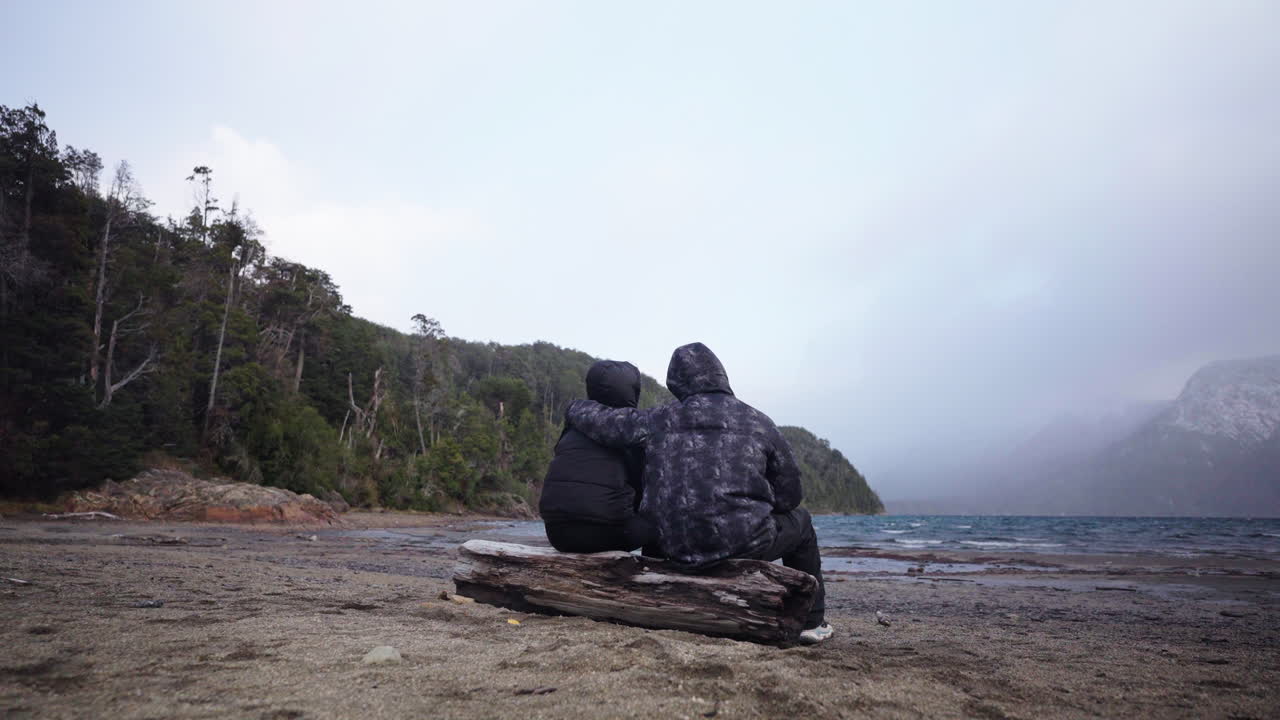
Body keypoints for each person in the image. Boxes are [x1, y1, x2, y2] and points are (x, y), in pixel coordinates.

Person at [565, 342, 833, 644]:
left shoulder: (659, 418)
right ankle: (812, 622)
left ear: (676, 381)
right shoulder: (759, 422)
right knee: (803, 522)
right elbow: (790, 495)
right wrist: (757, 505)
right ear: (720, 375)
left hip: (670, 545)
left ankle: (662, 592)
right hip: (743, 543)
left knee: (655, 515)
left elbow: (606, 424)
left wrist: (575, 407)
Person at [538, 360, 656, 553]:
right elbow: (643, 490)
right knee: (657, 523)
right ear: (632, 391)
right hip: (605, 534)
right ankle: (653, 572)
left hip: (556, 533)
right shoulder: (629, 432)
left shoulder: (572, 426)